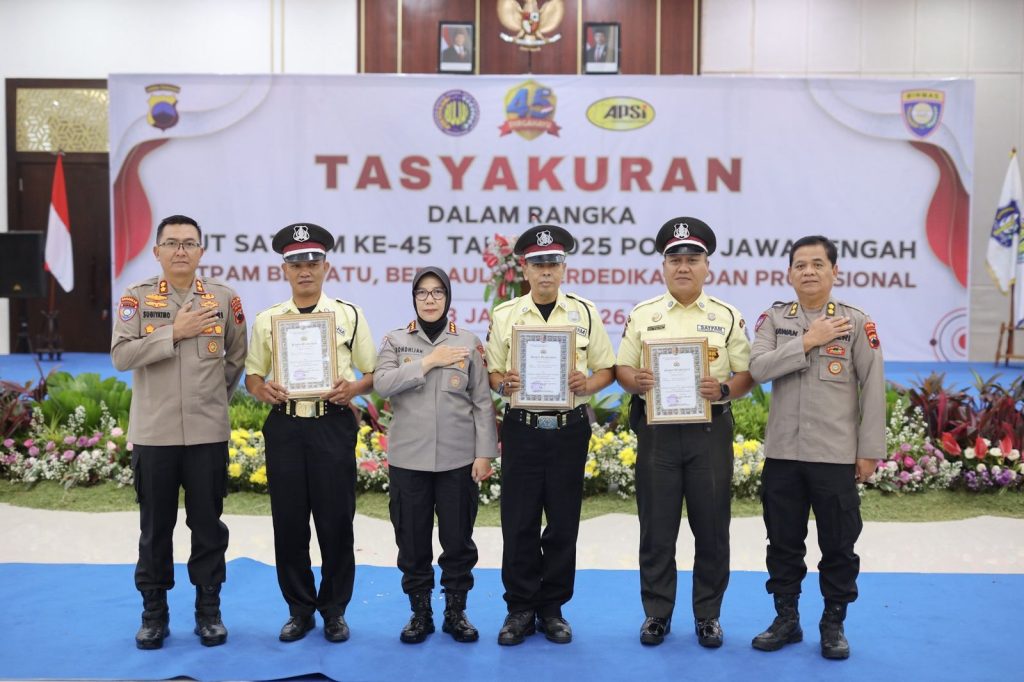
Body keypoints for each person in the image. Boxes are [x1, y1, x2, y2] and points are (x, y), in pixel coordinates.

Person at [615, 217, 753, 648]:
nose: (683, 267)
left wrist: (724, 389)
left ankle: (708, 615)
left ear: (706, 266)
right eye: (675, 259)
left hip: (708, 433)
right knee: (656, 528)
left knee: (711, 527)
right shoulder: (643, 315)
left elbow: (746, 374)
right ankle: (657, 613)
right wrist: (635, 381)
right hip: (657, 432)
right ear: (663, 266)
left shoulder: (726, 316)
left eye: (692, 259)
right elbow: (622, 369)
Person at [111, 214, 247, 650]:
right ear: (157, 252)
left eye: (189, 243)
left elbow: (236, 358)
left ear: (201, 251)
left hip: (207, 433)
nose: (181, 250)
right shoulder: (136, 298)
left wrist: (212, 399)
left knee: (208, 525)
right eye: (172, 243)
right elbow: (121, 355)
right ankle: (154, 615)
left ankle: (209, 612)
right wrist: (174, 333)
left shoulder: (223, 299)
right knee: (155, 528)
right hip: (156, 433)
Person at [748, 235, 884, 660]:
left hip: (834, 455)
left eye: (817, 264)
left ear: (834, 271)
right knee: (782, 542)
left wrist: (869, 450)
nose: (808, 271)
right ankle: (786, 619)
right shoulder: (774, 319)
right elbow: (758, 368)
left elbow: (873, 387)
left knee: (839, 544)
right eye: (800, 265)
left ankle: (833, 623)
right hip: (784, 455)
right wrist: (807, 341)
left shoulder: (856, 322)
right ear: (789, 273)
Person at [244, 223, 376, 644]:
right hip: (285, 426)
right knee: (289, 523)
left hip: (331, 424)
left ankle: (334, 610)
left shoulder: (348, 315)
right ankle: (299, 610)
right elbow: (252, 375)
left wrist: (353, 388)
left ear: (326, 267)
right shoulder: (268, 320)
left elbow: (373, 372)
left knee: (336, 521)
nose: (305, 270)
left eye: (313, 262)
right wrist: (261, 389)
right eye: (296, 263)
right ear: (284, 269)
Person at [485, 225, 616, 646]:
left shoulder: (584, 313)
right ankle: (520, 608)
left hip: (567, 430)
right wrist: (504, 383)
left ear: (563, 269)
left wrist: (588, 384)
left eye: (553, 264)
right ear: (524, 269)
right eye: (538, 264)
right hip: (523, 428)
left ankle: (553, 608)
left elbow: (607, 369)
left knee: (562, 522)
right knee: (519, 521)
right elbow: (492, 373)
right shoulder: (505, 315)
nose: (546, 271)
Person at [373, 267, 497, 644]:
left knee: (458, 540)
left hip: (458, 460)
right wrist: (429, 361)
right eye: (422, 293)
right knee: (412, 540)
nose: (430, 300)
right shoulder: (396, 341)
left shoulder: (468, 342)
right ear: (413, 298)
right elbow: (382, 384)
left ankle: (456, 612)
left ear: (448, 298)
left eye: (438, 292)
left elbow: (482, 402)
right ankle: (420, 612)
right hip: (408, 460)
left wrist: (484, 453)